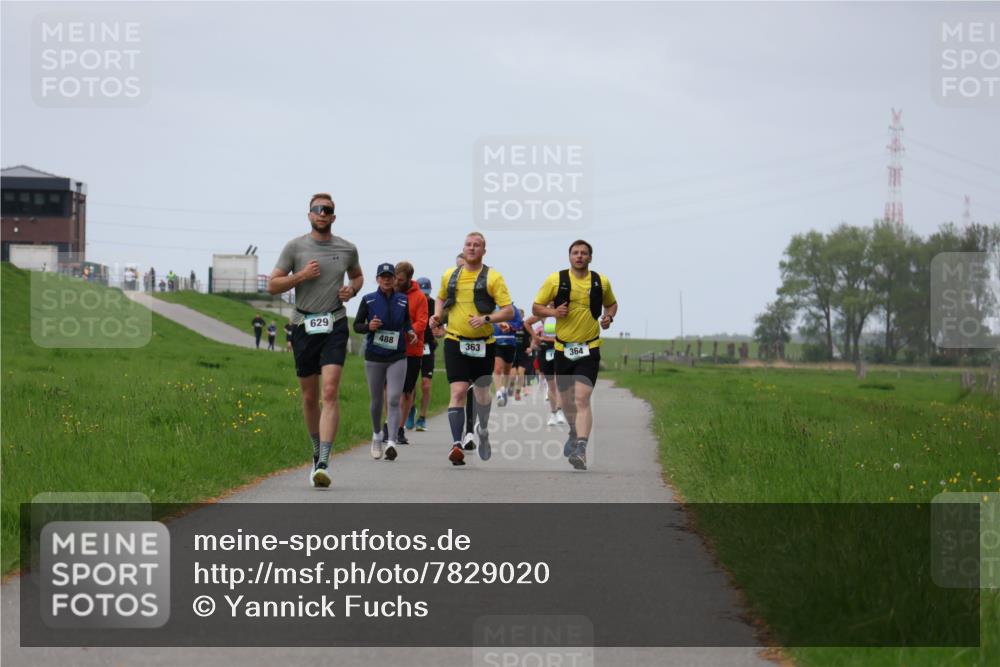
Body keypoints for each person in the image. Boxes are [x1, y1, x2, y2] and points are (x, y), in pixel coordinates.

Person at [268, 193, 363, 488]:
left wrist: (352, 290)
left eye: (328, 210)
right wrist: (300, 276)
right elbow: (273, 285)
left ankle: (324, 461)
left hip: (334, 323)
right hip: (304, 325)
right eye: (317, 210)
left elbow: (358, 277)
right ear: (309, 215)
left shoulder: (347, 248)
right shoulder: (294, 247)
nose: (322, 213)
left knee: (331, 391)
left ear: (334, 217)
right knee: (310, 397)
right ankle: (314, 449)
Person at [429, 233, 514, 466]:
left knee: (482, 395)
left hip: (483, 344)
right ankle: (456, 444)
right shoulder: (450, 275)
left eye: (477, 245)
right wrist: (436, 316)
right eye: (468, 244)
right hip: (455, 340)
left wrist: (487, 318)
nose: (472, 248)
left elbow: (509, 311)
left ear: (484, 251)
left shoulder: (493, 277)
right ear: (463, 248)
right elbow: (440, 298)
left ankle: (482, 429)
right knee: (457, 392)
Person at [532, 240, 617, 471]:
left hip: (590, 347)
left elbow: (612, 304)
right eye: (575, 253)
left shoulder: (601, 281)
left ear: (590, 257)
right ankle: (573, 431)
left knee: (582, 398)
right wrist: (553, 312)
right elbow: (536, 307)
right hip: (563, 349)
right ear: (569, 256)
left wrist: (609, 318)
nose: (579, 256)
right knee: (567, 401)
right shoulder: (556, 280)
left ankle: (581, 448)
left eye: (584, 253)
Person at [354, 263, 418, 462]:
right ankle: (376, 435)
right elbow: (356, 325)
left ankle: (391, 441)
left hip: (397, 356)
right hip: (374, 356)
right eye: (383, 276)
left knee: (393, 398)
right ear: (377, 279)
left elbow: (406, 322)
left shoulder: (402, 300)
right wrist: (369, 327)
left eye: (390, 276)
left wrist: (410, 331)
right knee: (376, 401)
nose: (387, 279)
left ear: (394, 279)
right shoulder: (368, 300)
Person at [392, 261, 428, 445]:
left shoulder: (420, 297)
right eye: (395, 279)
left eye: (400, 280)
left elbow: (422, 322)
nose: (396, 283)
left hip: (412, 351)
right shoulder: (391, 293)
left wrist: (407, 331)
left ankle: (400, 429)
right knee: (390, 391)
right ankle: (388, 425)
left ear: (409, 280)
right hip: (391, 350)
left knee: (406, 392)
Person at [525, 311, 566, 426]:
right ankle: (553, 413)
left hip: (560, 350)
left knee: (560, 383)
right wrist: (534, 340)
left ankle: (559, 411)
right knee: (551, 385)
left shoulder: (564, 313)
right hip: (545, 351)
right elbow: (527, 324)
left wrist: (547, 339)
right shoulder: (543, 315)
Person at [415, 276, 440, 431]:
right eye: (421, 292)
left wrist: (439, 332)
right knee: (409, 387)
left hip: (428, 348)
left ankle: (422, 417)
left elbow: (441, 328)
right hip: (411, 348)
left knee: (426, 384)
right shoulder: (410, 302)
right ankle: (410, 409)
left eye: (426, 293)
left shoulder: (434, 305)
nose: (424, 296)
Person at [492, 303, 524, 406]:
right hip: (496, 342)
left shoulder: (513, 308)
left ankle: (504, 390)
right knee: (497, 369)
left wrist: (510, 327)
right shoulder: (491, 307)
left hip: (510, 343)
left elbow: (520, 324)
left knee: (506, 371)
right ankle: (498, 394)